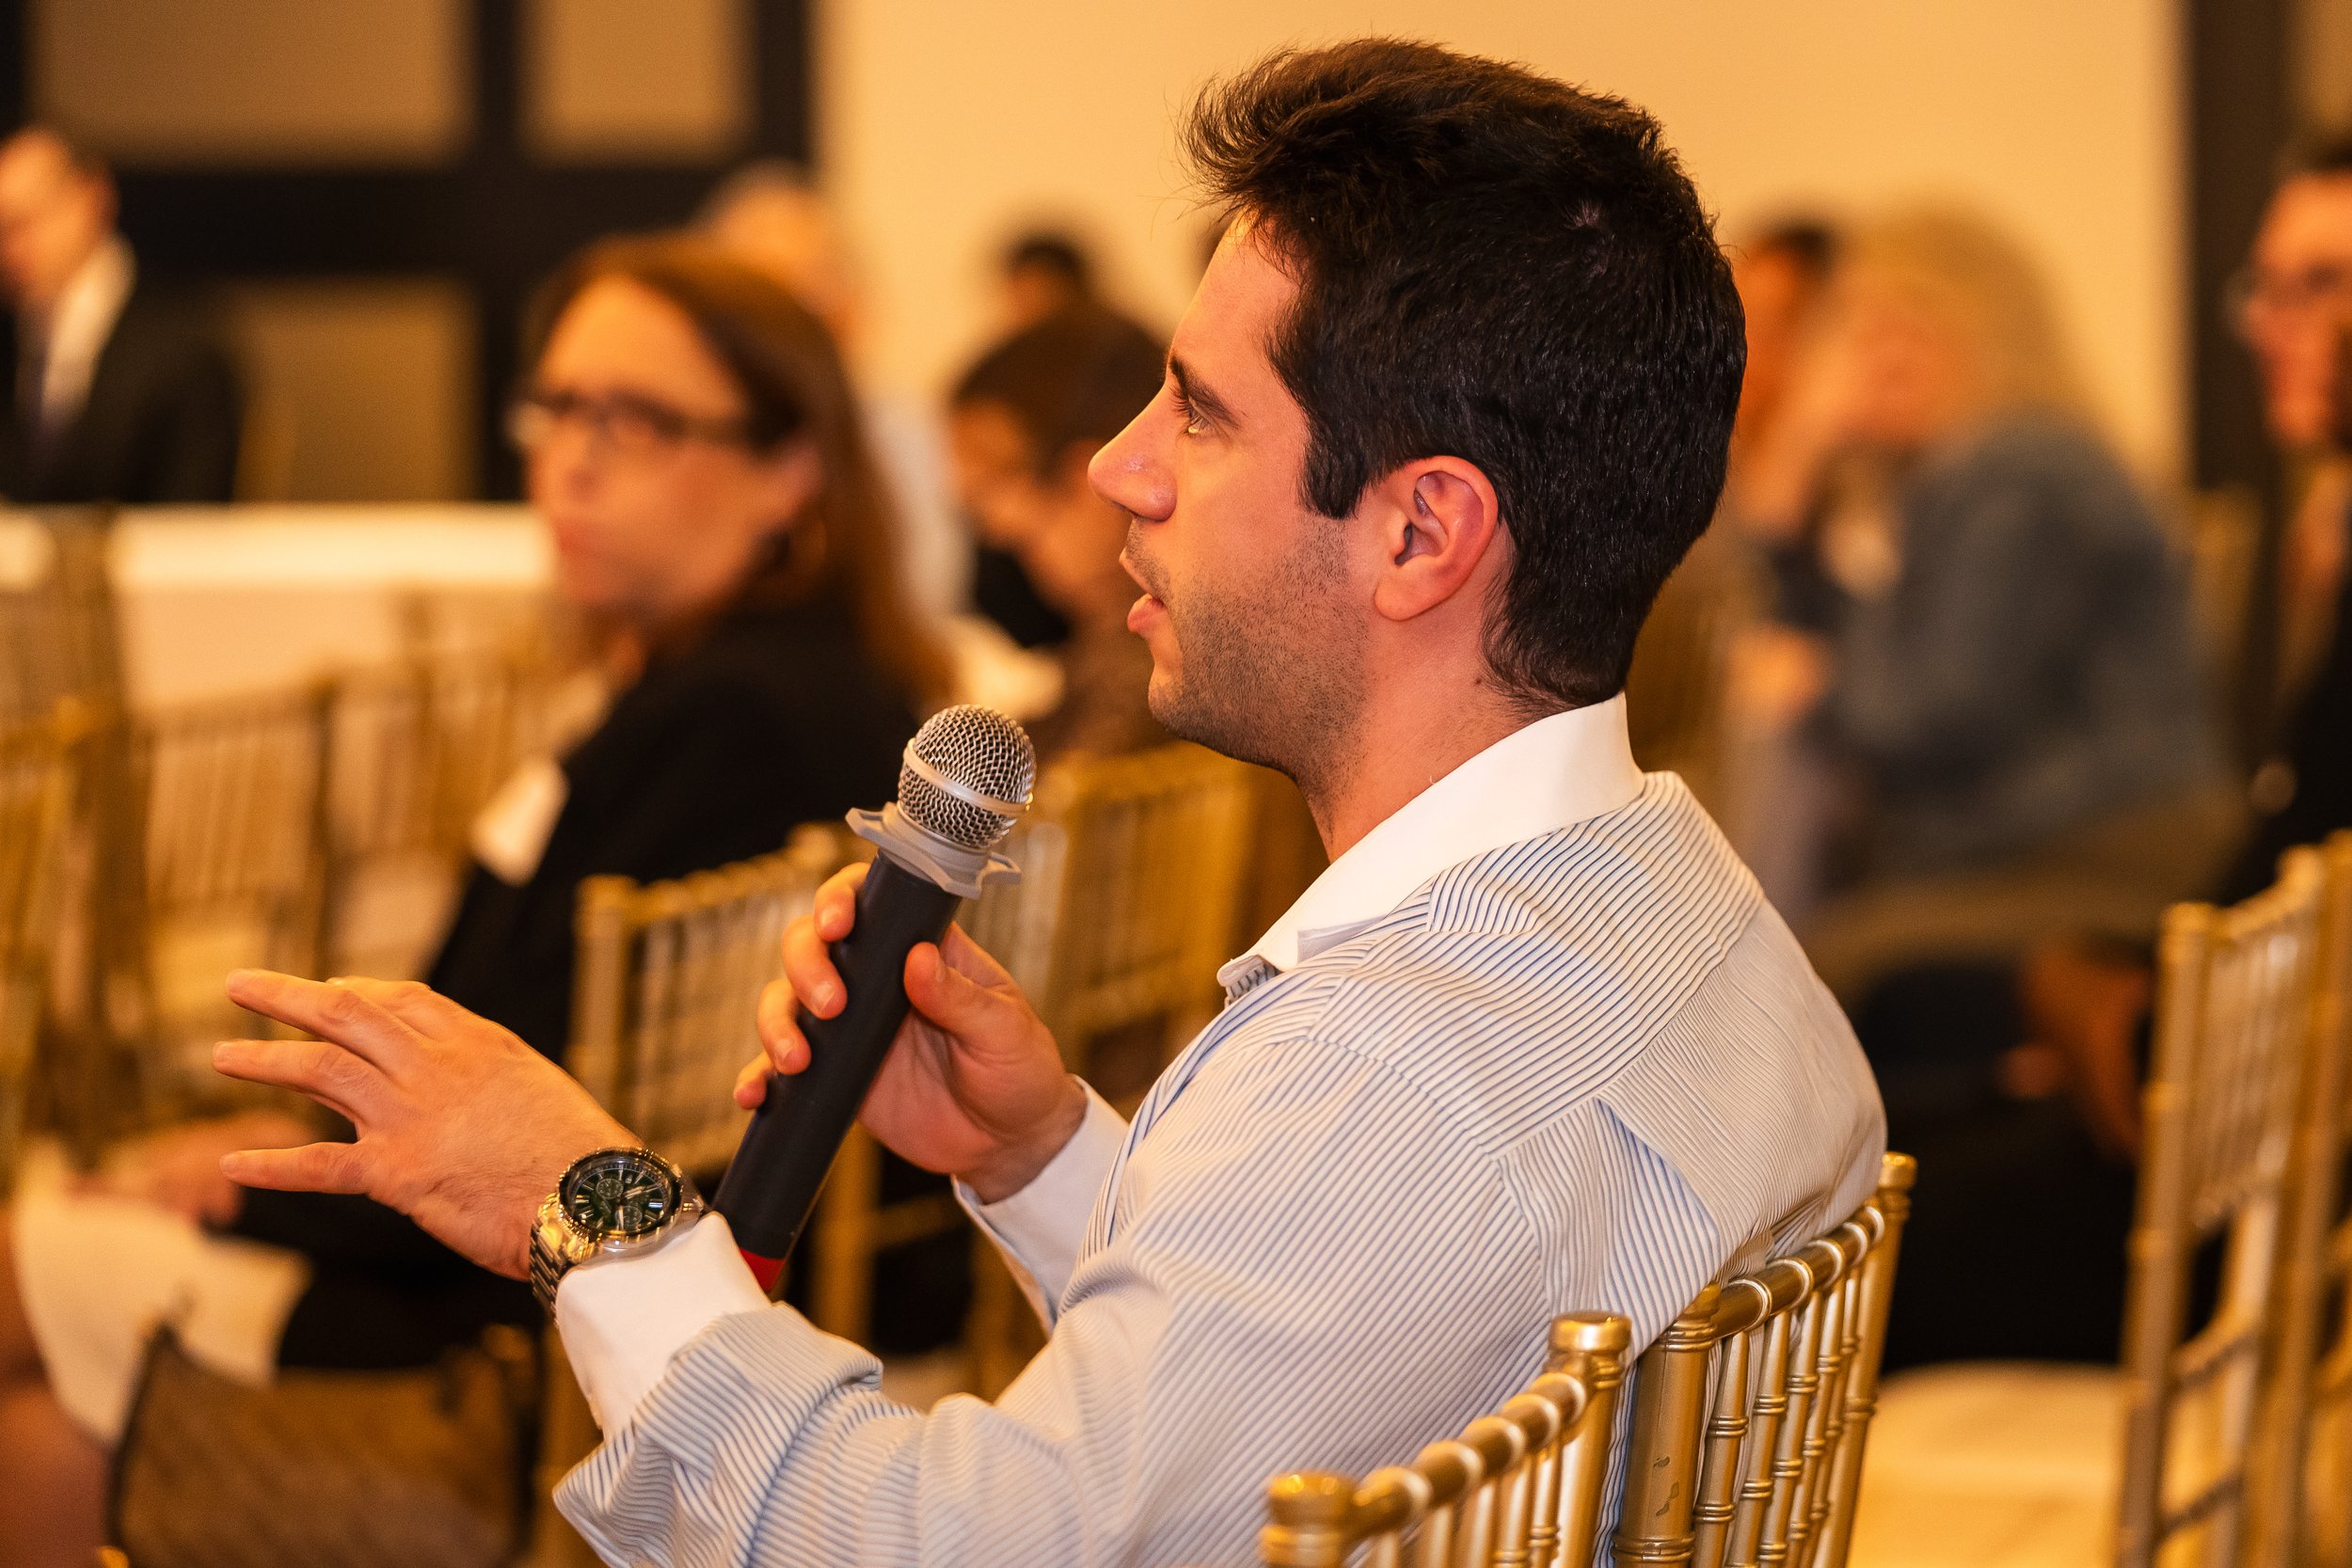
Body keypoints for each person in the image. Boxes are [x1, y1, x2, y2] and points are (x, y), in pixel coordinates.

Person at [209, 42, 1885, 1567]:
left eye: (1201, 413)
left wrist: (595, 1207)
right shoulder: (1696, 918)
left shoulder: (1389, 1071)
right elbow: (1332, 1360)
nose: (1117, 468)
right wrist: (1039, 1155)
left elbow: (951, 1549)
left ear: (1419, 533)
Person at [0, 234, 946, 1568]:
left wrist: (249, 1188)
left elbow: (528, 1115)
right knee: (40, 1412)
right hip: (561, 1274)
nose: (570, 459)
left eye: (635, 419)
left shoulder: (735, 719)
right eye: (556, 406)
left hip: (517, 1314)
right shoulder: (770, 678)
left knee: (31, 1279)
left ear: (789, 467)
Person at [1735, 208, 2228, 1004]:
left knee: (1819, 964)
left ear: (1981, 336)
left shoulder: (2018, 472)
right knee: (1801, 932)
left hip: (2105, 854)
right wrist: (1798, 477)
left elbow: (1941, 712)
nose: (1872, 359)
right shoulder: (1962, 475)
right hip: (2044, 844)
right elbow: (1872, 653)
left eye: (1904, 328)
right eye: (1859, 329)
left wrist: (1821, 688)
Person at [700, 161, 971, 627]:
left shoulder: (908, 433)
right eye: (767, 297)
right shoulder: (694, 431)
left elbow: (925, 596)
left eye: (816, 292)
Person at [949, 305, 1171, 759]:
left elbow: (1064, 796)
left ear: (1087, 480)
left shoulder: (1159, 678)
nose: (994, 530)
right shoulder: (1107, 651)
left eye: (998, 480)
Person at [0, 126, 242, 504]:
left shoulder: (186, 341)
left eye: (25, 220)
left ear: (92, 198)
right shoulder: (13, 333)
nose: (12, 249)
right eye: (2, 229)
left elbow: (194, 510)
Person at [998, 230, 1097, 332]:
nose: (1024, 308)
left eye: (1036, 295)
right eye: (1021, 296)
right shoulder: (1014, 337)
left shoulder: (1098, 336)